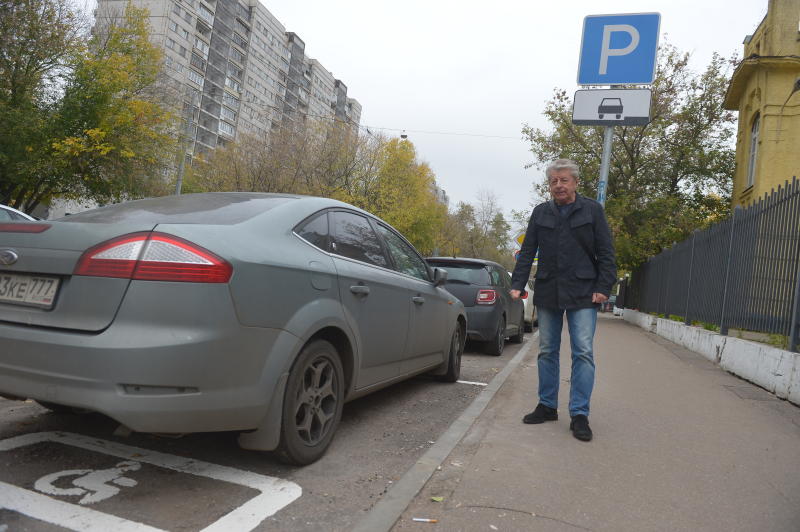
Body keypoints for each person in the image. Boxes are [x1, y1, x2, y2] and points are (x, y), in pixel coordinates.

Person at [510, 159, 616, 442]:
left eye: (564, 180)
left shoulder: (592, 210)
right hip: (549, 288)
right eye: (554, 181)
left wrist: (603, 286)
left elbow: (606, 252)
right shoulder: (540, 212)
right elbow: (528, 248)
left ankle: (579, 414)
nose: (558, 185)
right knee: (547, 350)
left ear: (576, 182)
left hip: (584, 291)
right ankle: (547, 406)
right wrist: (517, 285)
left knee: (582, 352)